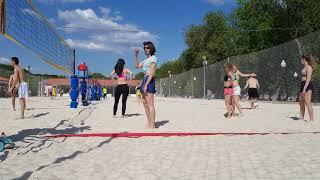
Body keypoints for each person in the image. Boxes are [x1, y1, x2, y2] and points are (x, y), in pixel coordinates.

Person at [134, 41, 157, 128]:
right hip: (144, 79)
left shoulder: (153, 58)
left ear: (151, 48)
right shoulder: (146, 60)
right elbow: (137, 66)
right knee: (144, 103)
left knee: (150, 104)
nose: (145, 49)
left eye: (147, 48)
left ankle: (153, 125)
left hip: (149, 80)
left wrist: (146, 84)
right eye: (144, 48)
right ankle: (149, 122)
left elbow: (151, 73)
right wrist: (136, 55)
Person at [299, 54, 314, 122]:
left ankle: (311, 119)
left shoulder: (309, 67)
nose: (301, 60)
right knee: (301, 102)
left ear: (304, 59)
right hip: (302, 85)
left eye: (301, 59)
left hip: (307, 85)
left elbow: (308, 79)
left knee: (307, 102)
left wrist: (305, 88)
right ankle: (301, 117)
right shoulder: (304, 67)